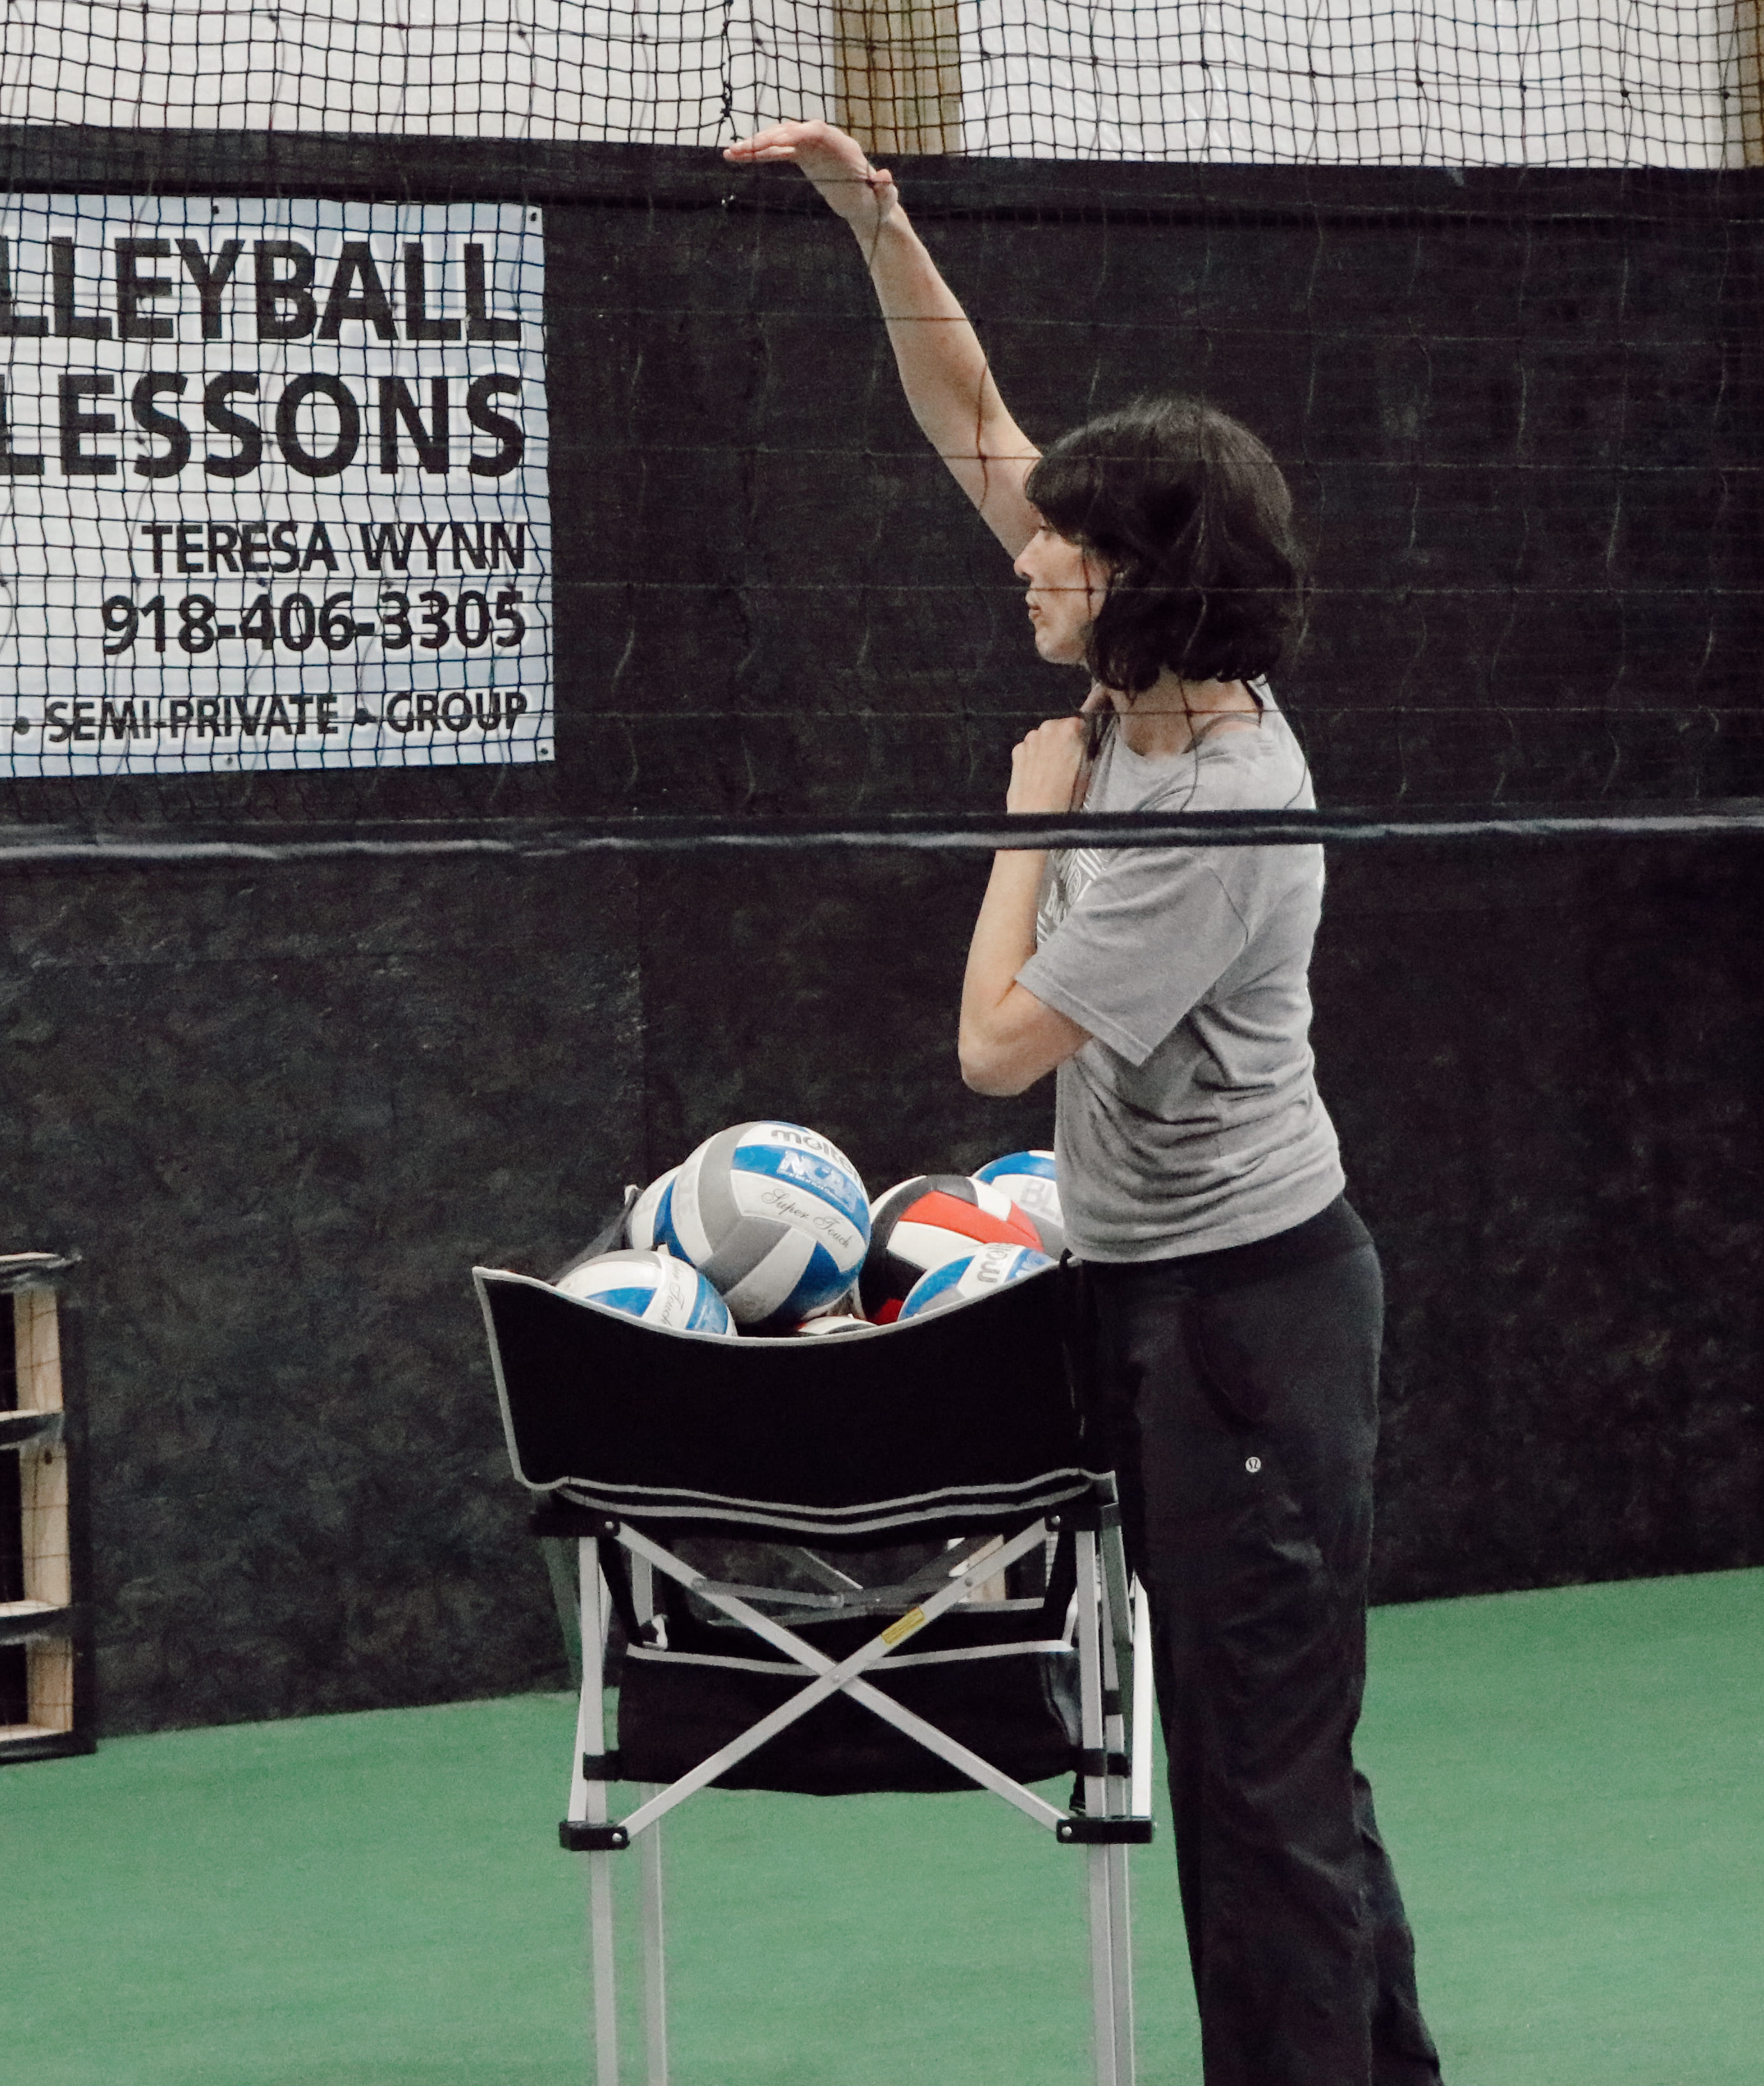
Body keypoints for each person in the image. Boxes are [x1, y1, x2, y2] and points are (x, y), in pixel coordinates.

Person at [727, 119, 1443, 2086]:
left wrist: (1022, 822)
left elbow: (994, 1053)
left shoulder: (1205, 810)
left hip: (1247, 1327)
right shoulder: (1142, 692)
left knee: (1254, 1781)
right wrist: (876, 219)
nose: (1025, 553)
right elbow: (970, 415)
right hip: (1156, 1300)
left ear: (1142, 585)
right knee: (1269, 1749)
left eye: (1066, 544)